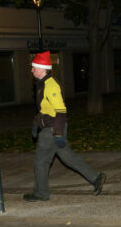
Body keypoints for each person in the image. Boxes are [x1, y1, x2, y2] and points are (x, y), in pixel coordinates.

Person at [24, 51, 105, 202]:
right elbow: (45, 109)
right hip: (52, 127)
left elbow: (60, 111)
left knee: (41, 161)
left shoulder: (50, 85)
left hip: (52, 129)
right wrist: (36, 123)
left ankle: (41, 193)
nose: (32, 70)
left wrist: (58, 133)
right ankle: (96, 177)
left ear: (42, 68)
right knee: (67, 157)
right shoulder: (42, 84)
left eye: (34, 67)